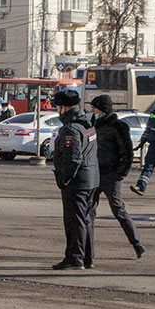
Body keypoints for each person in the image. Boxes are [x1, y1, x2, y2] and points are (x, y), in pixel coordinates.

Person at [88, 94, 143, 262]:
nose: (92, 110)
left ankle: (137, 244)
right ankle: (87, 254)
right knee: (87, 213)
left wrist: (121, 173)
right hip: (93, 174)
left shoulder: (117, 126)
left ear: (103, 109)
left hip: (111, 175)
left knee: (119, 210)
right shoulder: (93, 124)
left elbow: (127, 152)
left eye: (95, 108)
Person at [49, 89, 100, 270]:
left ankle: (75, 257)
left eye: (58, 106)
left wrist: (65, 179)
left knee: (74, 220)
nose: (57, 110)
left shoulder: (71, 128)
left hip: (77, 181)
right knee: (86, 219)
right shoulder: (87, 123)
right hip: (91, 179)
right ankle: (87, 257)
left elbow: (73, 158)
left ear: (63, 107)